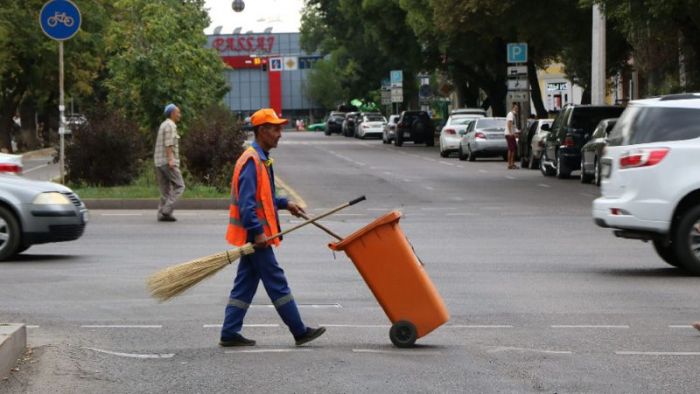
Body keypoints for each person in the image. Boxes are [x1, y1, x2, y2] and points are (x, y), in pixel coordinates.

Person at [220, 108, 326, 347]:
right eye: (275, 129)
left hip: (257, 234)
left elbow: (264, 196)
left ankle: (229, 331)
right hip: (256, 234)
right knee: (276, 281)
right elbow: (248, 205)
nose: (280, 133)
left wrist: (286, 203)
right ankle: (299, 331)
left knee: (245, 283)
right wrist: (257, 232)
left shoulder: (261, 158)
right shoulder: (252, 161)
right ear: (261, 131)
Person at [153, 103, 185, 222]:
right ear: (172, 113)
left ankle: (162, 215)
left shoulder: (163, 125)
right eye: (178, 113)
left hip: (159, 162)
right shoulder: (171, 125)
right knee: (180, 186)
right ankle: (166, 209)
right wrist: (171, 159)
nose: (179, 115)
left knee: (165, 191)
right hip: (167, 162)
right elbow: (168, 144)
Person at [505, 102, 521, 169]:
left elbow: (513, 126)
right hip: (509, 134)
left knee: (513, 149)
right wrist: (511, 133)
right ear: (512, 108)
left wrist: (517, 132)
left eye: (517, 108)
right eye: (515, 108)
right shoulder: (510, 114)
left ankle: (512, 163)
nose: (517, 109)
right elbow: (509, 124)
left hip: (511, 134)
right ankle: (510, 164)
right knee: (511, 149)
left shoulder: (513, 115)